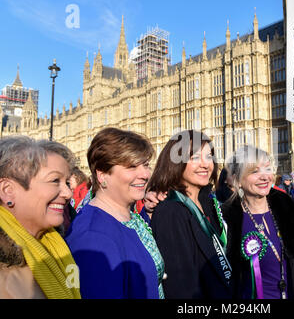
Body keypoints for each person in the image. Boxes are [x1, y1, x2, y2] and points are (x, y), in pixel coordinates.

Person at [65, 127, 164, 299]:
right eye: (132, 166)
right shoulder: (92, 237)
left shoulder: (129, 217)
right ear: (102, 175)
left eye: (146, 165)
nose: (145, 174)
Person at [223, 145, 294, 299]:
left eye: (267, 169)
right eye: (254, 171)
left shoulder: (289, 207)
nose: (264, 176)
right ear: (238, 180)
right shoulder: (226, 220)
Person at [147, 130, 232, 299]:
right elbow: (181, 288)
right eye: (194, 157)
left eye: (209, 157)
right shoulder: (170, 212)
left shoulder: (209, 204)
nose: (205, 164)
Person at [0, 136, 81, 299]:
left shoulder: (55, 246)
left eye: (67, 183)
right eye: (54, 181)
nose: (68, 193)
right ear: (8, 190)